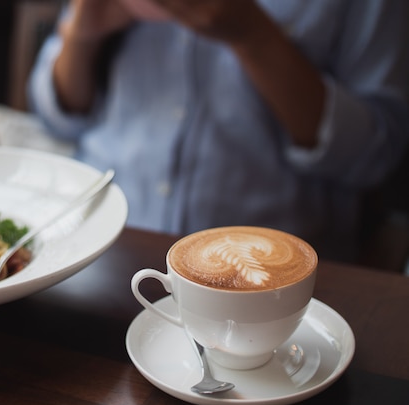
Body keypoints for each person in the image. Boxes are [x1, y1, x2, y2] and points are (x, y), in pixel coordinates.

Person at [27, 0, 409, 262]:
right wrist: (82, 35)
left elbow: (376, 156)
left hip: (270, 281)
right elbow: (54, 118)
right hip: (94, 250)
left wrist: (255, 37)